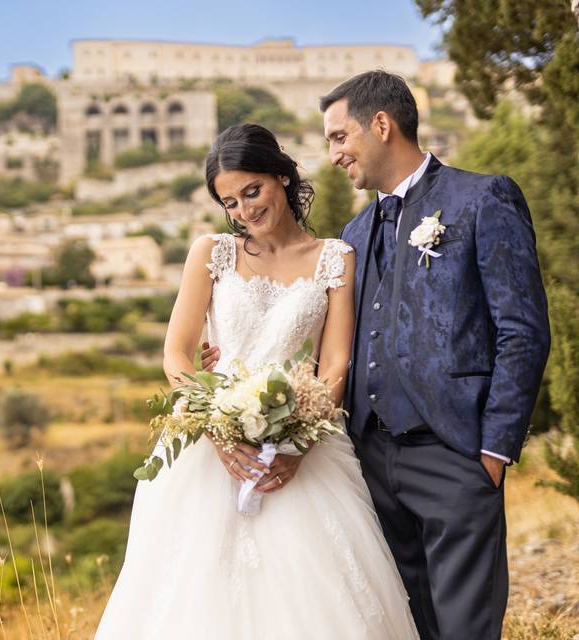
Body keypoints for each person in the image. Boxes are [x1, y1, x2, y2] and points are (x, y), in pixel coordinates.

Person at [201, 71, 551, 639]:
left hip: (456, 454)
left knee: (465, 627)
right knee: (402, 626)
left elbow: (523, 331)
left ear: (381, 125)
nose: (334, 154)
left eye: (340, 137)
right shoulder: (354, 235)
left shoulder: (481, 199)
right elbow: (330, 345)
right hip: (369, 464)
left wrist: (493, 449)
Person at [94, 123, 419, 639]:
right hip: (207, 447)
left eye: (253, 191)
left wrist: (299, 441)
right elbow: (176, 353)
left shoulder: (336, 258)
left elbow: (335, 364)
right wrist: (216, 428)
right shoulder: (211, 253)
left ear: (281, 178)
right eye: (230, 202)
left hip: (303, 445)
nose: (245, 210)